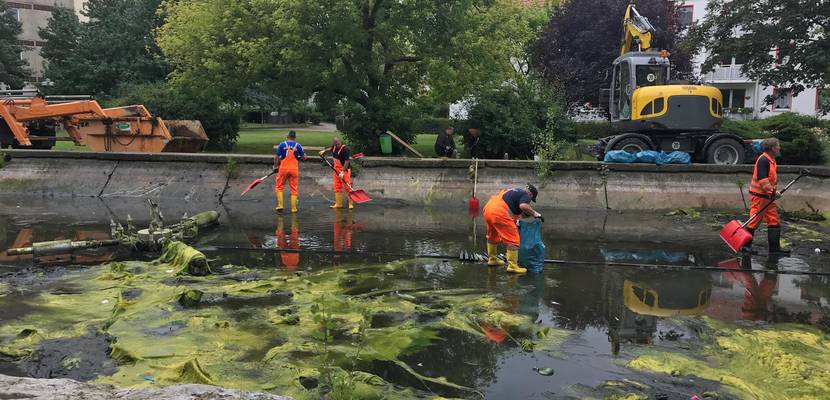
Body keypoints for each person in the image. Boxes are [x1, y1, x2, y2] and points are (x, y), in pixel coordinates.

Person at [483, 184, 543, 274]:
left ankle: (492, 259)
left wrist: (518, 220)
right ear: (531, 195)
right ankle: (512, 266)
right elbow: (523, 206)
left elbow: (512, 209)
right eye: (531, 199)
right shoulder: (526, 194)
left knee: (492, 236)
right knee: (513, 240)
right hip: (500, 213)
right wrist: (535, 214)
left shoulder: (512, 191)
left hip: (488, 209)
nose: (529, 201)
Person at [746, 138, 788, 254]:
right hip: (760, 196)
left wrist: (772, 193)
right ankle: (745, 247)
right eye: (778, 146)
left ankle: (775, 249)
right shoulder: (764, 160)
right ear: (772, 148)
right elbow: (762, 179)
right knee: (754, 221)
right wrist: (773, 192)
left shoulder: (771, 160)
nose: (779, 148)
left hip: (767, 197)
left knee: (774, 221)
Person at [274, 130, 307, 213]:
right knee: (294, 189)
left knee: (279, 186)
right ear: (295, 137)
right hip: (294, 170)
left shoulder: (282, 144)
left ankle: (280, 206)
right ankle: (294, 208)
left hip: (283, 169)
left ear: (287, 136)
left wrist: (276, 166)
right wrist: (304, 156)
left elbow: (277, 157)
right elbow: (304, 158)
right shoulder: (298, 145)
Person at [319, 137, 354, 209]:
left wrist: (343, 172)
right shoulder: (334, 147)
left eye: (338, 144)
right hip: (336, 170)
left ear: (340, 142)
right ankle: (338, 204)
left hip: (345, 170)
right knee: (337, 186)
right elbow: (330, 149)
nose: (337, 145)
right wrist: (324, 151)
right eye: (335, 144)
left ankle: (351, 204)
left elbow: (347, 161)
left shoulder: (345, 149)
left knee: (347, 187)